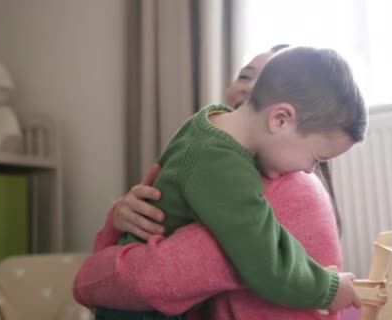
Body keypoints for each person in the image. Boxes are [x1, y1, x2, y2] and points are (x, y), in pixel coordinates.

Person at [74, 46, 366, 320]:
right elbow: (265, 261)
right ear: (280, 119)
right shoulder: (225, 170)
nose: (308, 169)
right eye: (314, 157)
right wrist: (328, 289)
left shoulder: (205, 126)